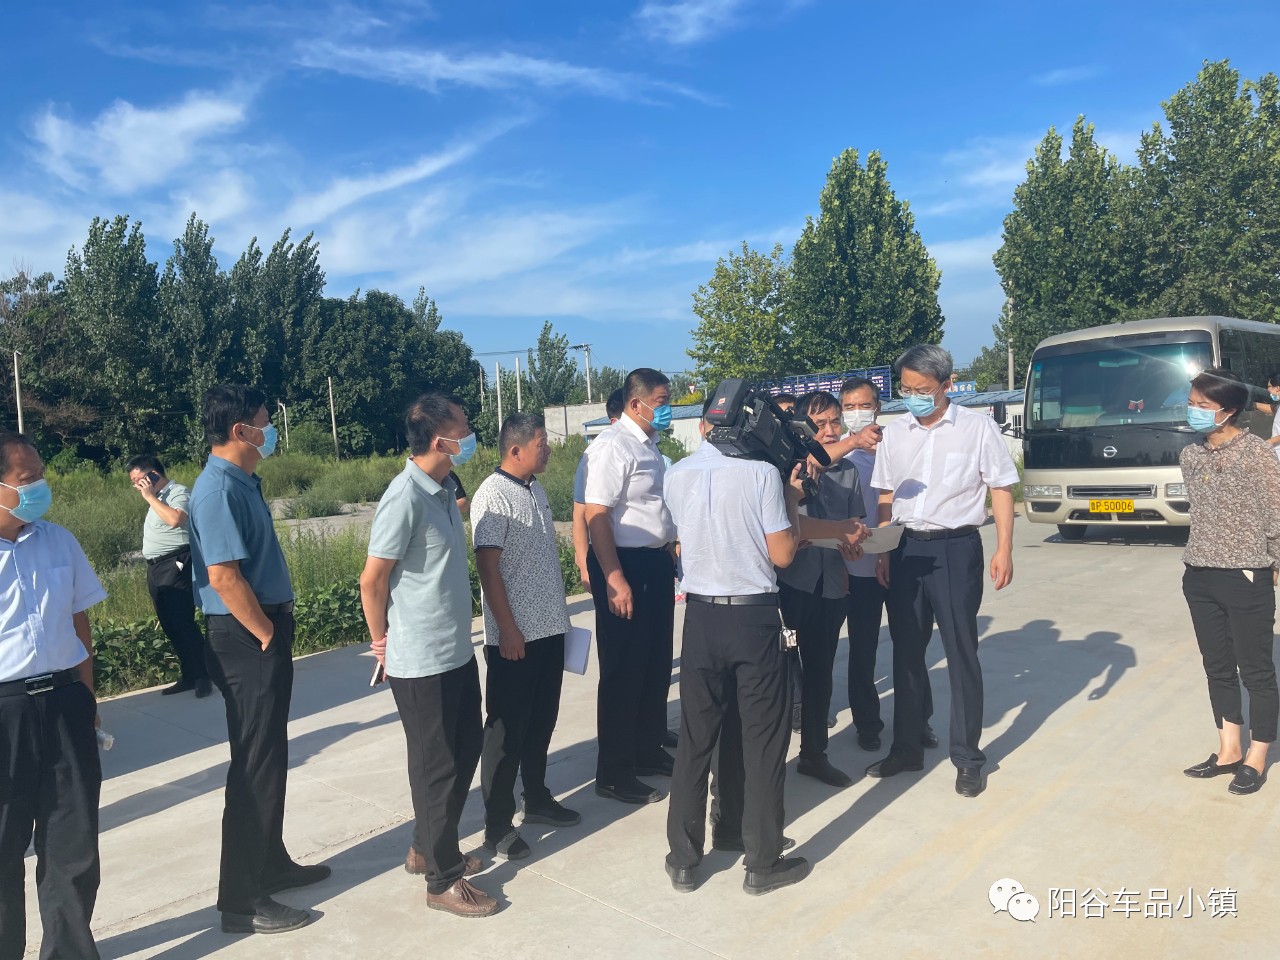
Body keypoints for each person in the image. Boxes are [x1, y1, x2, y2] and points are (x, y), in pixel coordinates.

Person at [663, 400, 867, 895]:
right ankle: (762, 861)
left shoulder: (677, 472)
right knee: (763, 740)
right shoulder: (761, 475)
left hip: (700, 617)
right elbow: (782, 553)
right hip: (753, 617)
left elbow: (685, 540)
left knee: (696, 738)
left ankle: (685, 858)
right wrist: (792, 498)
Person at [188, 385, 329, 936]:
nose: (270, 431)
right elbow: (224, 577)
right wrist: (267, 635)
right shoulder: (216, 490)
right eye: (265, 423)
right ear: (240, 430)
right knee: (253, 765)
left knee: (269, 756)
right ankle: (241, 900)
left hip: (259, 630)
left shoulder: (243, 482)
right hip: (245, 636)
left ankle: (270, 862)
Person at [359, 392, 497, 917]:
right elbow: (373, 580)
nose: (470, 434)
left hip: (454, 650)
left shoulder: (443, 490)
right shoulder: (404, 497)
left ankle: (427, 847)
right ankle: (442, 880)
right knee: (435, 767)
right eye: (463, 427)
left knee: (465, 750)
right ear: (441, 440)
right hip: (419, 661)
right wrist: (381, 642)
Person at [867, 345, 1018, 798]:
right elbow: (886, 493)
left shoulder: (977, 427)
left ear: (947, 385)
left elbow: (1000, 487)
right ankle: (906, 748)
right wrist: (882, 550)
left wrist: (1004, 548)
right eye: (906, 389)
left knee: (961, 653)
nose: (913, 397)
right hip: (905, 549)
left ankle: (968, 758)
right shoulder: (896, 433)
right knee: (907, 653)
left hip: (956, 549)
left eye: (923, 390)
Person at [0, 430, 108, 960]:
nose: (39, 487)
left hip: (65, 701)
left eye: (40, 475)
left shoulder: (59, 539)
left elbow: (78, 618)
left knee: (73, 837)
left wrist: (87, 697)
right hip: (5, 712)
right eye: (27, 479)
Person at [472, 412, 580, 862]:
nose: (548, 449)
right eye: (541, 443)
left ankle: (536, 797)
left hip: (549, 629)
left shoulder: (535, 489)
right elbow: (488, 567)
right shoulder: (492, 495)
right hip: (515, 637)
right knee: (506, 732)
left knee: (541, 722)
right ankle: (497, 826)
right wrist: (508, 628)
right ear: (515, 450)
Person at [1179, 369, 1280, 795]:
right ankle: (1229, 749)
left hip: (1246, 574)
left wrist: (1275, 563)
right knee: (1217, 666)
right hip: (1199, 575)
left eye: (1204, 406)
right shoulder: (1190, 455)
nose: (1194, 412)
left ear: (1229, 409)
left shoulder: (1257, 453)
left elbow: (1276, 512)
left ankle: (1258, 755)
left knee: (1255, 670)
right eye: (1192, 403)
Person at [582, 368, 678, 804]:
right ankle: (614, 771)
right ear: (636, 404)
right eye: (662, 401)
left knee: (655, 663)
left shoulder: (649, 445)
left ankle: (647, 749)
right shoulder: (611, 447)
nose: (667, 408)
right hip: (625, 565)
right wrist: (614, 576)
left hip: (655, 563)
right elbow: (596, 515)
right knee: (624, 670)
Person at [837, 377, 935, 753]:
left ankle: (918, 720)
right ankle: (867, 724)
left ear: (878, 407)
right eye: (849, 407)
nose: (857, 413)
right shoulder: (837, 456)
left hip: (899, 561)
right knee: (863, 650)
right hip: (858, 568)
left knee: (910, 646)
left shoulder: (898, 446)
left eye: (864, 405)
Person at [775, 392, 864, 788]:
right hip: (789, 583)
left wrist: (856, 544)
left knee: (820, 675)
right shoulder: (789, 467)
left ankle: (814, 754)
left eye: (835, 422)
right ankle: (768, 764)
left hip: (831, 586)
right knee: (778, 678)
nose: (830, 430)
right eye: (820, 424)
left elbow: (854, 525)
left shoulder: (849, 472)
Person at [125, 455, 210, 698]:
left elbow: (176, 519)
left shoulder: (177, 492)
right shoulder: (156, 499)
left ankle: (203, 675)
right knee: (169, 623)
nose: (137, 486)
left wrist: (150, 497)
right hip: (156, 567)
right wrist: (152, 498)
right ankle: (189, 674)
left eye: (139, 480)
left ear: (153, 474)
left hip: (176, 562)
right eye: (134, 482)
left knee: (182, 620)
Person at [572, 388, 625, 588]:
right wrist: (585, 568)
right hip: (615, 558)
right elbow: (580, 514)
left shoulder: (651, 451)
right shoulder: (599, 454)